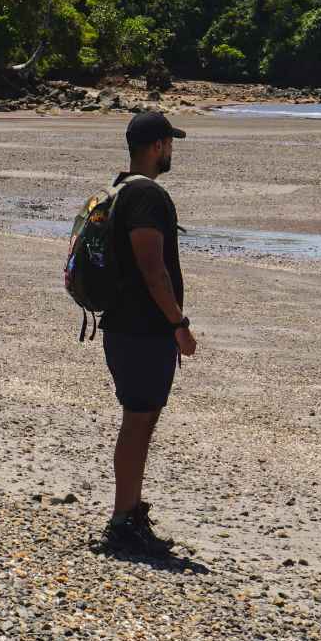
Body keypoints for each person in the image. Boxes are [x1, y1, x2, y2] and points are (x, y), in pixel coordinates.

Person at [97, 110, 196, 557]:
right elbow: (153, 270)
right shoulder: (147, 197)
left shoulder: (121, 189)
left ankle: (130, 513)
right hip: (141, 330)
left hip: (124, 326)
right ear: (157, 146)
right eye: (169, 143)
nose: (172, 150)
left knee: (140, 419)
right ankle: (123, 521)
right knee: (138, 422)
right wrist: (179, 324)